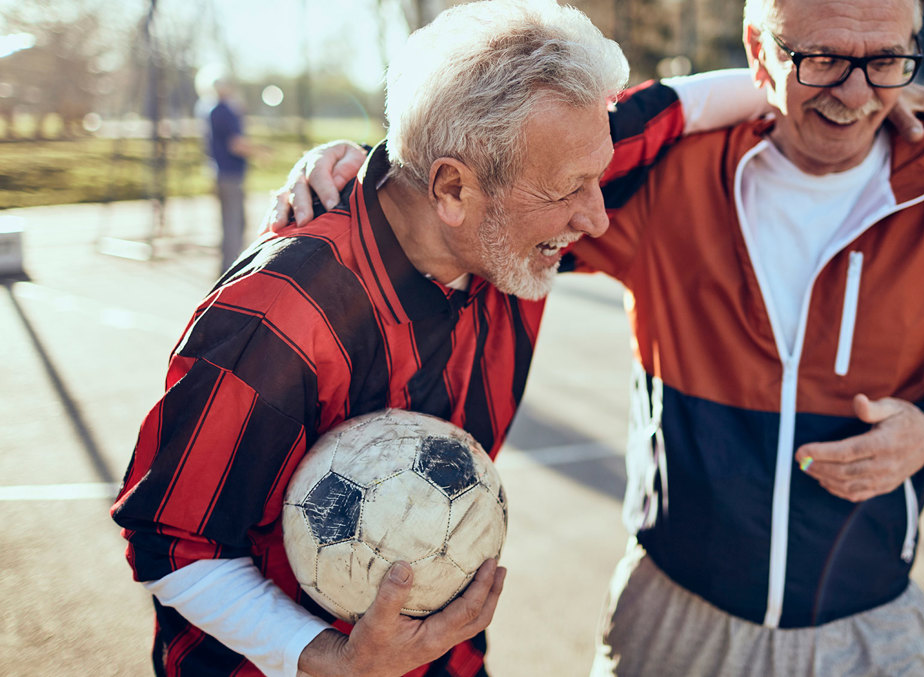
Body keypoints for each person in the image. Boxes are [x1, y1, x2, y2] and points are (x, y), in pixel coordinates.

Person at [284, 0, 924, 675]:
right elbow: (498, 184)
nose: (854, 93)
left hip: (869, 628)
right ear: (759, 51)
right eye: (820, 58)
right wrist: (373, 173)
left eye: (885, 59)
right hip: (676, 622)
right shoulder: (669, 175)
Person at [110, 3, 631, 676]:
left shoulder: (515, 222)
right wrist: (329, 657)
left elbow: (704, 100)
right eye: (571, 190)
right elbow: (169, 541)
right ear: (451, 188)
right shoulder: (278, 313)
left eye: (600, 175)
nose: (595, 216)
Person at [197, 68, 254, 274]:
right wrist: (260, 151)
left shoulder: (210, 110)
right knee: (234, 224)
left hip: (219, 172)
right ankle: (232, 269)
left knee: (228, 222)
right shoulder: (226, 111)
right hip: (231, 173)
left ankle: (226, 266)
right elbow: (236, 144)